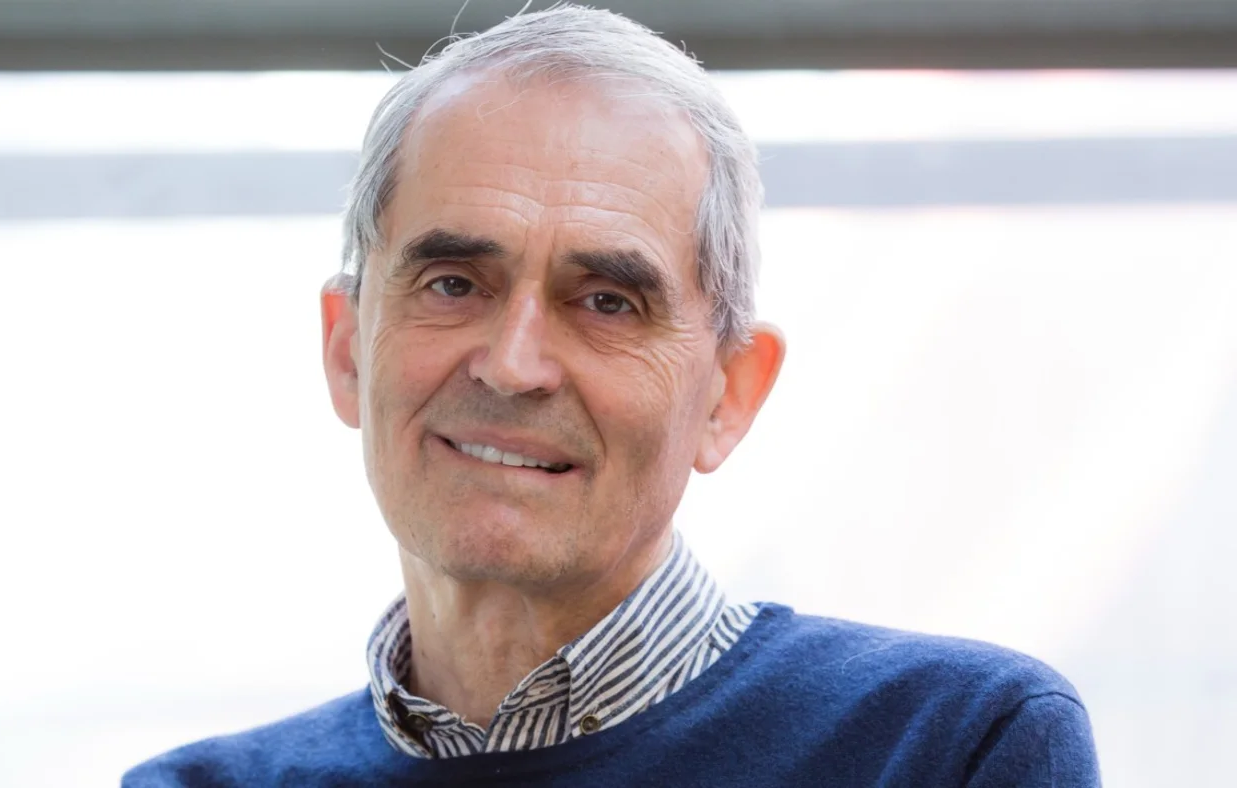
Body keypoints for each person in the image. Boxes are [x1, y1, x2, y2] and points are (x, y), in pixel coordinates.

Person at [123, 6, 1100, 786]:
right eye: (454, 283)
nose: (512, 364)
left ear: (728, 394)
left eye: (605, 301)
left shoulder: (948, 746)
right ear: (346, 349)